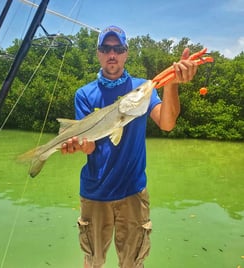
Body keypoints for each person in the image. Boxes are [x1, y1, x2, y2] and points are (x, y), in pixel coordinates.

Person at [61, 25, 198, 268]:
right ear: (98, 53)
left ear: (126, 53)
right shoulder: (84, 94)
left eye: (118, 48)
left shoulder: (141, 89)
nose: (111, 54)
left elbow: (167, 123)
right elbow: (91, 148)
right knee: (92, 262)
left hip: (133, 192)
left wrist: (171, 84)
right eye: (106, 48)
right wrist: (79, 145)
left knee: (133, 263)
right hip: (95, 193)